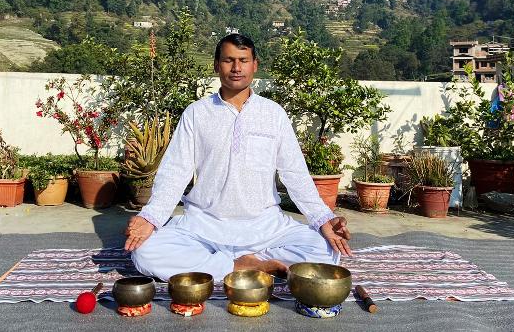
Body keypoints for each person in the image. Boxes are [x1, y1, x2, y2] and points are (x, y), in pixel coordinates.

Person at [125, 33, 351, 281]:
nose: (236, 68)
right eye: (228, 60)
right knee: (145, 252)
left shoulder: (273, 114)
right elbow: (175, 173)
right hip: (203, 226)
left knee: (326, 249)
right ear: (216, 65)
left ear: (255, 65)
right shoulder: (197, 113)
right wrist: (151, 217)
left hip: (265, 227)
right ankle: (242, 267)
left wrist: (323, 219)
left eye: (243, 60)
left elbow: (295, 175)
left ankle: (232, 265)